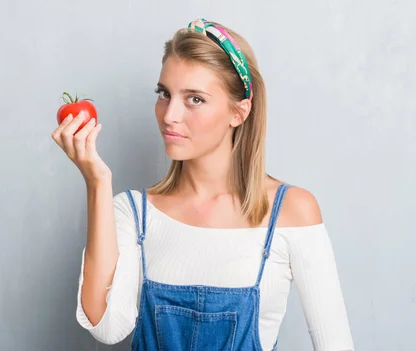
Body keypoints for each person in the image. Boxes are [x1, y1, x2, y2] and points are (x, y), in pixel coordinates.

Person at [52, 18, 354, 351]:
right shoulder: (133, 212)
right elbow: (106, 327)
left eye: (194, 99)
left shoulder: (291, 211)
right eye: (165, 94)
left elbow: (335, 345)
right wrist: (97, 183)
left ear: (238, 112)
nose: (169, 115)